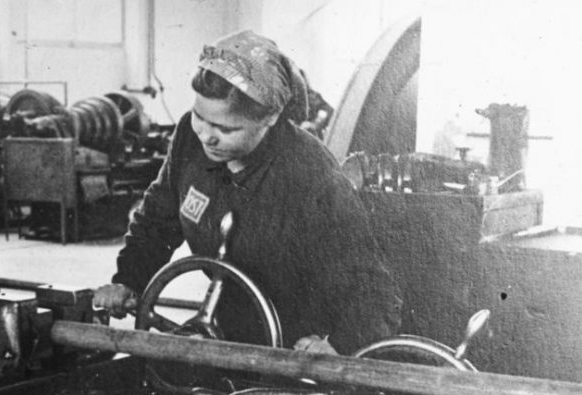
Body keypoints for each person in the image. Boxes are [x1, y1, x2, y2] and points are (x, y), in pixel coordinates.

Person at [94, 30, 401, 355]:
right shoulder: (189, 137)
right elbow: (156, 220)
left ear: (269, 119)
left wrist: (340, 345)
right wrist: (129, 279)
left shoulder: (309, 172)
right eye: (201, 118)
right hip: (224, 324)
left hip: (295, 344)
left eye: (226, 129)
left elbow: (373, 287)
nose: (207, 137)